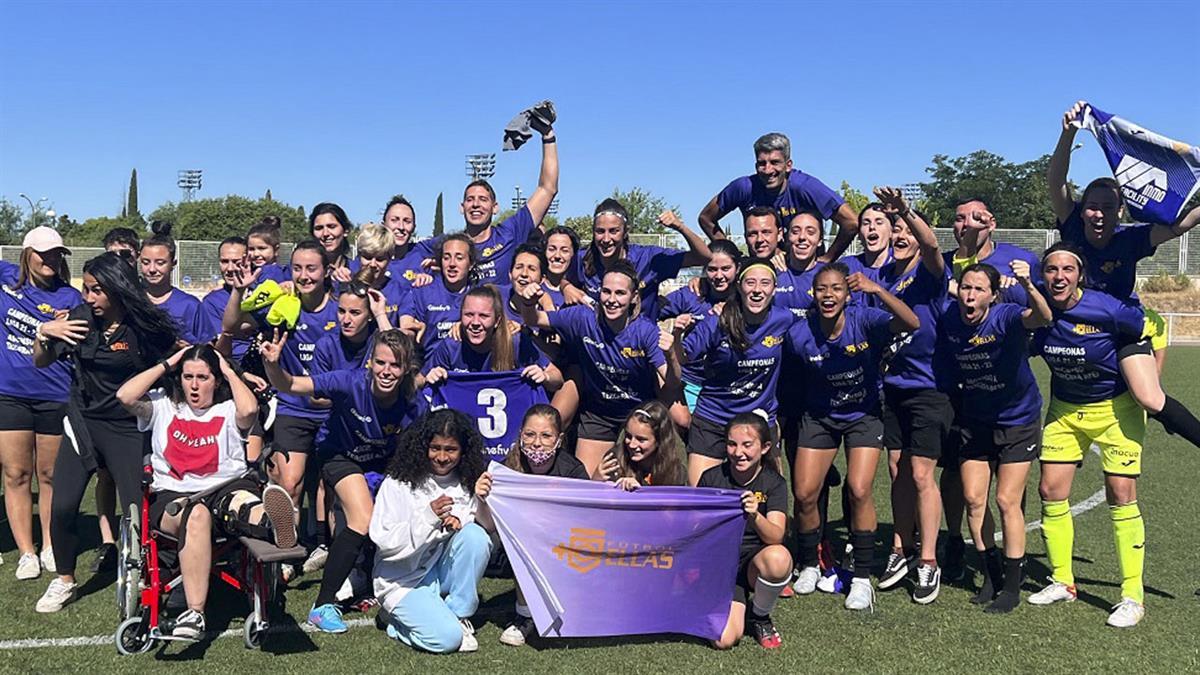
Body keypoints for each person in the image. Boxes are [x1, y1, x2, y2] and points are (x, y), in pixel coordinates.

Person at [115, 344, 296, 640]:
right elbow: (125, 396)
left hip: (225, 487)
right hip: (175, 497)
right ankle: (195, 612)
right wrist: (169, 361)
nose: (195, 386)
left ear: (217, 380)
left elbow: (250, 409)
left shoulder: (228, 410)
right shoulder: (162, 406)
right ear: (179, 378)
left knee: (243, 503)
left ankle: (275, 523)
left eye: (203, 377)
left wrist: (227, 368)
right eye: (188, 377)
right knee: (197, 515)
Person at [1048, 100, 1200, 449]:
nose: (1098, 214)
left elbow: (1180, 224)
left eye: (1106, 207)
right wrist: (1067, 134)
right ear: (1081, 209)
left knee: (1149, 398)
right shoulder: (1070, 227)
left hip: (1119, 328)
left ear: (1120, 211)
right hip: (1069, 328)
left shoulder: (1131, 239)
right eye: (1092, 206)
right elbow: (1056, 180)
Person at [33, 252, 179, 612]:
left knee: (136, 511)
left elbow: (177, 361)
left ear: (116, 289)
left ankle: (148, 577)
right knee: (63, 505)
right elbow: (41, 359)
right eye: (86, 289)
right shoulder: (80, 320)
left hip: (127, 427)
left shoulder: (143, 328)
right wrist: (44, 332)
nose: (88, 297)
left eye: (97, 290)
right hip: (83, 423)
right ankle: (64, 579)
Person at [262, 328, 426, 633]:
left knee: (396, 513)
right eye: (380, 362)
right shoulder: (347, 382)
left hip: (382, 461)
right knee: (362, 518)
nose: (386, 371)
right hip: (340, 455)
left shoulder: (414, 403)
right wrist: (273, 365)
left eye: (395, 365)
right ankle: (322, 605)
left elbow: (417, 449)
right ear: (369, 363)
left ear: (406, 370)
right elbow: (293, 384)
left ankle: (374, 578)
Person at [1026, 244, 1151, 627]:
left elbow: (1145, 331)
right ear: (1042, 275)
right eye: (1051, 269)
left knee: (1120, 494)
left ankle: (1132, 595)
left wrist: (1149, 385)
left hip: (1117, 411)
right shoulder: (1038, 312)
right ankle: (1063, 580)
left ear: (1079, 274)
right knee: (1050, 491)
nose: (1059, 276)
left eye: (1067, 269)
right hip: (1064, 410)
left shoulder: (1106, 307)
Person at [787, 262, 919, 611]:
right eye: (822, 290)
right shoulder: (800, 333)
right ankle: (811, 564)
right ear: (812, 295)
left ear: (847, 294)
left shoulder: (865, 320)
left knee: (859, 489)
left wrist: (877, 291)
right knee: (804, 494)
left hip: (863, 416)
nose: (828, 296)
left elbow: (911, 322)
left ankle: (861, 578)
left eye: (836, 289)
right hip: (819, 418)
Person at [935, 260, 1052, 614]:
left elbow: (1042, 317)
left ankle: (1012, 588)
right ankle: (992, 574)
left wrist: (1029, 285)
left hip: (1018, 420)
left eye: (978, 290)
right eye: (965, 288)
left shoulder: (1005, 316)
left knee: (1005, 500)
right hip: (976, 420)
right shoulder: (949, 320)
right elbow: (945, 367)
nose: (970, 296)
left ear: (993, 295)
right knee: (973, 498)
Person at [868, 188, 951, 603]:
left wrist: (905, 210)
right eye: (895, 228)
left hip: (929, 388)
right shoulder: (881, 276)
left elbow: (934, 245)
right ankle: (901, 548)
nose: (901, 234)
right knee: (897, 473)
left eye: (905, 229)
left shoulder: (931, 274)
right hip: (893, 388)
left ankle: (929, 562)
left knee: (921, 474)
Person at [518, 260, 672, 477]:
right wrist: (528, 303)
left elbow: (670, 377)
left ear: (634, 297)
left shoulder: (645, 330)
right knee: (589, 481)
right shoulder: (583, 317)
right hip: (598, 413)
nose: (611, 300)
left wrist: (673, 356)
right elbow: (536, 319)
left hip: (637, 412)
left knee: (638, 482)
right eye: (606, 292)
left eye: (620, 293)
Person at [223, 240, 337, 524]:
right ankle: (286, 552)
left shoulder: (340, 309)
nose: (304, 275)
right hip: (293, 407)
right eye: (298, 268)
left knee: (332, 485)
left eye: (312, 268)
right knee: (290, 484)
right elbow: (232, 327)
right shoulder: (282, 304)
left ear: (327, 271)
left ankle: (325, 544)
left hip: (334, 410)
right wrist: (239, 291)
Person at [371, 409, 494, 654]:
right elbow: (384, 541)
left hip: (440, 571)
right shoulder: (398, 483)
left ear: (463, 451)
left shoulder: (467, 480)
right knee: (447, 640)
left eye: (451, 450)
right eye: (435, 448)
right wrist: (429, 517)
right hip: (403, 579)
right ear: (422, 447)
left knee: (476, 536)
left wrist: (481, 500)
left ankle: (459, 613)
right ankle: (395, 623)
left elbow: (488, 528)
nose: (441, 457)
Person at [0, 227, 81, 580]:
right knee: (16, 474)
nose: (49, 259)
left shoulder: (71, 297)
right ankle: (26, 552)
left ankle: (50, 544)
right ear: (26, 253)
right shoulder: (5, 280)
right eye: (42, 252)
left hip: (55, 393)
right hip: (9, 392)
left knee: (49, 475)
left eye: (55, 253)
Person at [670, 258, 792, 485]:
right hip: (713, 419)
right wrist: (677, 336)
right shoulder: (718, 320)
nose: (757, 290)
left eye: (765, 283)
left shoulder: (784, 319)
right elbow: (683, 357)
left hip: (759, 422)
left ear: (774, 289)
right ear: (739, 286)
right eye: (750, 283)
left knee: (770, 498)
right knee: (700, 498)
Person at [414, 123, 558, 286]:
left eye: (483, 199)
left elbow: (547, 189)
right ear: (462, 208)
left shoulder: (510, 233)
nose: (476, 204)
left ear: (495, 207)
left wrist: (548, 136)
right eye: (470, 200)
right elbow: (402, 252)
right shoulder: (447, 244)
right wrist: (422, 274)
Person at [497, 404, 588, 646]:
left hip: (563, 547)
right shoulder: (507, 469)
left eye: (546, 436)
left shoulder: (573, 471)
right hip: (518, 547)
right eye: (530, 434)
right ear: (520, 435)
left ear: (559, 440)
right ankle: (524, 616)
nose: (537, 443)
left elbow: (586, 521)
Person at [702, 413, 791, 650]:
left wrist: (754, 515)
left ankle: (760, 615)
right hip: (719, 565)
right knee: (724, 640)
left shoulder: (774, 483)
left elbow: (775, 536)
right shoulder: (711, 478)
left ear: (765, 448)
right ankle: (714, 601)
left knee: (779, 558)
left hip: (752, 565)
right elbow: (697, 528)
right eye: (732, 444)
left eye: (747, 445)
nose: (738, 452)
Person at [697, 131, 858, 260]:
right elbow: (706, 218)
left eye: (774, 162)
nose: (768, 170)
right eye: (762, 163)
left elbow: (851, 222)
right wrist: (732, 256)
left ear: (788, 165)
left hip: (802, 268)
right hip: (761, 268)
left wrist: (827, 258)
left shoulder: (806, 187)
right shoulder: (743, 188)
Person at [569, 202, 710, 318]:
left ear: (625, 231)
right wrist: (566, 287)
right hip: (598, 346)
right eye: (600, 231)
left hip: (640, 345)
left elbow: (704, 257)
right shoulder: (582, 259)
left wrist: (680, 227)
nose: (606, 239)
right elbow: (559, 277)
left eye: (614, 231)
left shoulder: (648, 258)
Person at [658, 239, 740, 413]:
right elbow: (652, 309)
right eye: (711, 269)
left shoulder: (745, 299)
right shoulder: (692, 294)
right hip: (691, 381)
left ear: (738, 268)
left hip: (729, 384)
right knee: (685, 425)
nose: (718, 276)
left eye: (726, 269)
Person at [423, 286, 558, 387]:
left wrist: (545, 376)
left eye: (484, 316)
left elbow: (557, 378)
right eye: (469, 315)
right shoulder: (452, 344)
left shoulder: (515, 342)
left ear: (497, 321)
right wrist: (429, 377)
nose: (475, 323)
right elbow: (419, 380)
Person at [399, 233, 476, 356]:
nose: (452, 264)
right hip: (428, 369)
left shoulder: (481, 296)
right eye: (446, 258)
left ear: (471, 264)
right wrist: (410, 331)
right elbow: (409, 329)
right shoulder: (422, 291)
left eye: (459, 258)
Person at [140, 221, 201, 344]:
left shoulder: (190, 305)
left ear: (173, 264)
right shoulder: (132, 300)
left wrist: (188, 349)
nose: (152, 269)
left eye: (160, 263)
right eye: (145, 262)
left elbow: (207, 345)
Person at [194, 237, 253, 361]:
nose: (230, 269)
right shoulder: (211, 302)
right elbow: (219, 351)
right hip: (234, 366)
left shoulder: (264, 292)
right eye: (225, 261)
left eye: (237, 262)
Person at [606, 400, 687, 490]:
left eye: (641, 440)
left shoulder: (675, 472)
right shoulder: (613, 460)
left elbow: (671, 502)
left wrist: (641, 491)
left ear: (659, 440)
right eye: (628, 436)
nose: (632, 445)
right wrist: (597, 478)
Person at [348, 223, 408, 324]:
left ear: (389, 259)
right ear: (359, 256)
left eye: (380, 259)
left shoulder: (400, 292)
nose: (372, 264)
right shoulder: (346, 285)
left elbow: (407, 332)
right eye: (367, 257)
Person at [380, 195, 433, 289]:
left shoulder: (422, 251)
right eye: (394, 220)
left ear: (414, 227)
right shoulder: (369, 259)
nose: (401, 227)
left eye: (407, 221)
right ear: (383, 225)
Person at [309, 203, 354, 280]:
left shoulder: (356, 271)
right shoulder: (298, 271)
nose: (325, 233)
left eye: (332, 227)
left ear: (346, 230)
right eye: (319, 228)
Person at [540, 226, 580, 309]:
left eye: (564, 250)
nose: (557, 255)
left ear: (573, 254)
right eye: (552, 249)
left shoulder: (579, 292)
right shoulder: (534, 288)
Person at [246, 217, 291, 284]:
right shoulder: (254, 270)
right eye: (251, 249)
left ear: (276, 250)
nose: (256, 254)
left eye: (262, 248)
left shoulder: (271, 274)